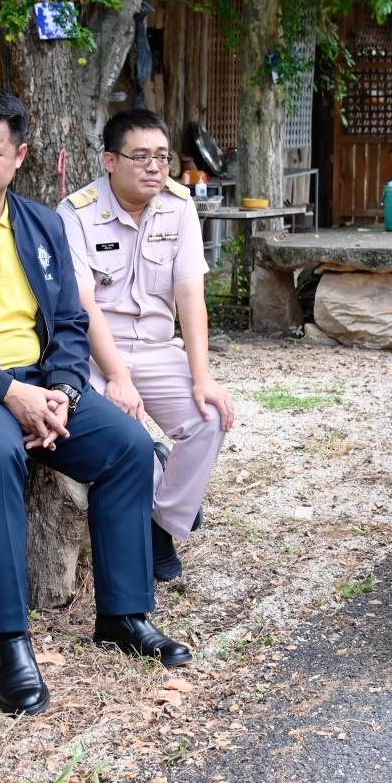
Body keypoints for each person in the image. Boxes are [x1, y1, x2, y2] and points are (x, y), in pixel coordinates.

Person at [0, 88, 192, 717]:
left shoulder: (43, 225)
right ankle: (11, 640)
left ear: (19, 157)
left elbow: (72, 324)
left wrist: (66, 393)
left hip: (38, 383)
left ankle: (124, 613)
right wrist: (10, 391)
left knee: (128, 446)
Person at [57, 108, 236, 582]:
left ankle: (160, 522)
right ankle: (156, 530)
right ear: (110, 160)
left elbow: (190, 295)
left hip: (157, 348)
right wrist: (118, 377)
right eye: (141, 157)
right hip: (96, 353)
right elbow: (84, 305)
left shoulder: (179, 207)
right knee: (123, 434)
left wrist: (203, 378)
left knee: (210, 417)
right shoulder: (76, 213)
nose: (155, 166)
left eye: (162, 156)